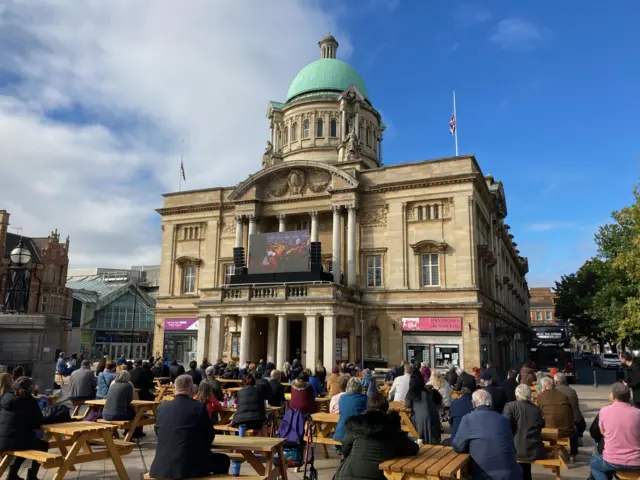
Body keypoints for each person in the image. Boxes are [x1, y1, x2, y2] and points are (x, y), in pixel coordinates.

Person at [150, 375, 230, 479]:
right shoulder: (198, 407)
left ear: (175, 388)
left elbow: (158, 432)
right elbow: (210, 436)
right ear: (192, 388)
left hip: (161, 466)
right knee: (223, 460)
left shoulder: (162, 407)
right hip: (189, 466)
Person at [334, 393, 419, 480]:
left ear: (368, 407)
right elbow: (412, 449)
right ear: (386, 409)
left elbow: (345, 448)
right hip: (375, 476)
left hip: (345, 475)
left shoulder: (357, 425)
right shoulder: (391, 429)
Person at [452, 389, 522, 480]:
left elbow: (458, 446)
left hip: (485, 475)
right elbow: (511, 447)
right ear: (490, 402)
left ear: (473, 403)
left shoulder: (468, 419)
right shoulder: (503, 419)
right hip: (512, 474)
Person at [589, 382, 640, 480]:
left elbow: (602, 432)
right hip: (637, 461)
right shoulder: (638, 413)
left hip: (611, 461)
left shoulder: (604, 411)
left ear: (613, 396)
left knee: (595, 465)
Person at [0, 377, 47, 480]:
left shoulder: (6, 398)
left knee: (24, 442)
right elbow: (38, 422)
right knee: (42, 444)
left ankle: (12, 474)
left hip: (1, 441)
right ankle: (32, 476)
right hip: (15, 441)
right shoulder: (29, 401)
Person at [503, 385, 547, 480]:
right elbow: (541, 426)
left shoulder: (510, 406)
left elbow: (505, 428)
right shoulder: (537, 409)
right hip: (534, 450)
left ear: (517, 396)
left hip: (515, 450)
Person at [554, 372, 585, 458]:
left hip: (558, 422)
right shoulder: (571, 391)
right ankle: (573, 452)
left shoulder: (553, 392)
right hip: (574, 420)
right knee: (578, 425)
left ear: (556, 382)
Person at [536, 376, 575, 441]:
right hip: (567, 431)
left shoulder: (541, 396)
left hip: (549, 431)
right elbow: (571, 413)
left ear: (544, 387)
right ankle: (574, 450)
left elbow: (537, 415)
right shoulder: (563, 396)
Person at [405, 374, 441, 445]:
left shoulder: (411, 394)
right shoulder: (426, 393)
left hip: (418, 420)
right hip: (432, 418)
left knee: (406, 421)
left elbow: (407, 406)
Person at [334, 377, 368, 443]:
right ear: (360, 387)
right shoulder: (364, 398)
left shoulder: (342, 398)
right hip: (356, 435)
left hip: (340, 433)